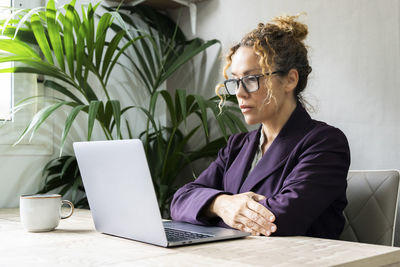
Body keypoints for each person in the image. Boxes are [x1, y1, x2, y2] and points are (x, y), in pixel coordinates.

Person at [170, 14, 351, 239]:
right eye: (235, 81)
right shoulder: (237, 145)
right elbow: (180, 201)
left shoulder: (325, 143)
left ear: (290, 80)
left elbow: (280, 221)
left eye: (251, 79)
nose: (239, 92)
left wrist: (209, 209)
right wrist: (222, 204)